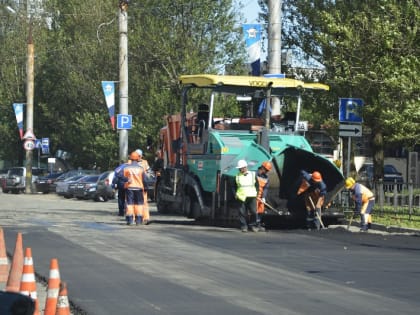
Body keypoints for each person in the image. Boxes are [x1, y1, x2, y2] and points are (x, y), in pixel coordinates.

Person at [123, 151, 147, 225]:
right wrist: (146, 187)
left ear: (130, 158)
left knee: (130, 204)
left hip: (130, 188)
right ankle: (138, 220)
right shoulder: (141, 169)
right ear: (138, 159)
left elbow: (124, 179)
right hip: (139, 188)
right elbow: (144, 180)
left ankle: (130, 220)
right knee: (139, 204)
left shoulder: (127, 168)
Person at [234, 159, 259, 232]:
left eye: (241, 168)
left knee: (254, 211)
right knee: (242, 212)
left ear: (245, 167)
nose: (240, 169)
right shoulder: (237, 176)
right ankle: (244, 226)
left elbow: (257, 184)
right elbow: (233, 186)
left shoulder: (252, 174)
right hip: (241, 196)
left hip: (252, 195)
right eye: (239, 168)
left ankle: (253, 225)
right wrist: (235, 194)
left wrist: (256, 193)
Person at [256, 161, 273, 231]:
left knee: (261, 210)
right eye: (266, 170)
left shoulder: (266, 178)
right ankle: (255, 225)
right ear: (262, 167)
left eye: (267, 171)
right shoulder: (254, 174)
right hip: (254, 196)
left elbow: (265, 189)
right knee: (255, 211)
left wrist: (263, 197)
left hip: (260, 197)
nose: (266, 172)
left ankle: (258, 224)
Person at [136, 149, 151, 224]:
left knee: (144, 202)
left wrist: (146, 178)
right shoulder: (130, 163)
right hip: (135, 186)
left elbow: (148, 172)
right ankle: (138, 218)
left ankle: (146, 218)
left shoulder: (144, 162)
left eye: (139, 155)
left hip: (142, 185)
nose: (139, 157)